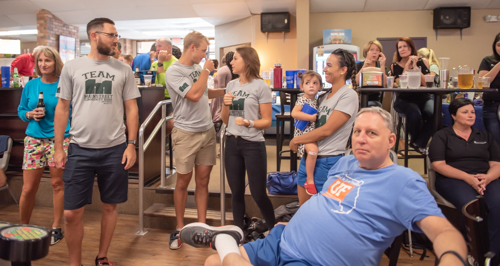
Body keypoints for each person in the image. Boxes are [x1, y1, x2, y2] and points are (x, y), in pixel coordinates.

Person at [180, 107, 468, 266]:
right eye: (357, 132)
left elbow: (443, 231)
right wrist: (289, 224)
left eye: (371, 133)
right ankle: (226, 240)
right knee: (211, 265)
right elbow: (323, 205)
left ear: (391, 141)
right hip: (284, 239)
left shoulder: (404, 182)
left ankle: (224, 239)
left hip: (313, 260)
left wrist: (452, 259)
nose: (361, 139)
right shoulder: (345, 164)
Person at [54, 18, 140, 266]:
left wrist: (131, 144)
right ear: (94, 35)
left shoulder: (124, 70)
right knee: (71, 213)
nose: (116, 40)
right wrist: (59, 147)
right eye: (111, 35)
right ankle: (74, 263)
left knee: (110, 207)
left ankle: (102, 256)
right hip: (79, 148)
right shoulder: (72, 67)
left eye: (116, 35)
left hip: (114, 150)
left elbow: (131, 109)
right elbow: (62, 108)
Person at [165, 31, 225, 250]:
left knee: (203, 181)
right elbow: (194, 94)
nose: (204, 54)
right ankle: (180, 229)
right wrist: (207, 70)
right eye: (203, 50)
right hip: (185, 134)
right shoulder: (174, 72)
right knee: (182, 182)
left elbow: (205, 91)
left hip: (207, 131)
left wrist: (228, 91)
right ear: (192, 48)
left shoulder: (198, 69)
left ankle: (202, 225)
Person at [429, 98, 500, 255]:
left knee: (498, 205)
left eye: (473, 112)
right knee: (471, 206)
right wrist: (467, 178)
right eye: (465, 112)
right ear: (453, 115)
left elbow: (496, 164)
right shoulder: (442, 136)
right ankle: (468, 252)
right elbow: (438, 165)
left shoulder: (485, 136)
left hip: (485, 178)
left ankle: (492, 254)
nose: (471, 115)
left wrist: (487, 178)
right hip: (453, 179)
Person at [289, 49, 359, 205]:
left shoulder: (348, 95)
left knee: (322, 213)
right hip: (308, 158)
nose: (324, 69)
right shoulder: (323, 96)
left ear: (343, 70)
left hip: (328, 162)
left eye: (329, 65)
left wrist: (296, 140)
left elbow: (327, 130)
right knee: (304, 210)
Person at [17, 46, 71, 246]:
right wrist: (30, 114)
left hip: (60, 139)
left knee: (57, 185)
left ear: (55, 62)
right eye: (40, 61)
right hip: (34, 139)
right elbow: (21, 110)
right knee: (28, 188)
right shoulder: (31, 85)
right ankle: (23, 226)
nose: (43, 64)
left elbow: (70, 111)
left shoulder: (64, 84)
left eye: (47, 60)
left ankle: (56, 227)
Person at [221, 47, 275, 232]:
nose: (231, 62)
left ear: (248, 61)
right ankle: (239, 232)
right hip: (232, 143)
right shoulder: (232, 85)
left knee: (258, 193)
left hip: (253, 144)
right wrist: (225, 104)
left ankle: (273, 228)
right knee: (236, 192)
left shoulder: (261, 86)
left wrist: (249, 123)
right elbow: (225, 118)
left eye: (235, 59)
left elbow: (267, 121)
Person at [391, 37, 433, 154]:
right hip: (404, 99)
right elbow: (401, 84)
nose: (402, 49)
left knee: (436, 113)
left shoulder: (422, 62)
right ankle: (416, 142)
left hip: (423, 98)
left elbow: (426, 83)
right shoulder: (395, 65)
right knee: (414, 113)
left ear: (411, 48)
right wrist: (407, 67)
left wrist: (415, 68)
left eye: (405, 46)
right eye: (400, 47)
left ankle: (418, 143)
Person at [291, 71, 322, 195]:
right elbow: (294, 113)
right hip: (304, 135)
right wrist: (310, 118)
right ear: (302, 86)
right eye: (307, 83)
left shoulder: (318, 100)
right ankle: (310, 180)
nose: (311, 86)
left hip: (313, 133)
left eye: (315, 83)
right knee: (313, 152)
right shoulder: (302, 100)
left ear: (320, 86)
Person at [150, 38, 178, 134]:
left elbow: (164, 84)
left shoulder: (176, 64)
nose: (157, 49)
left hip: (171, 100)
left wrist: (160, 62)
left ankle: (165, 141)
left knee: (171, 123)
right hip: (155, 99)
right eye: (156, 46)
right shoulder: (154, 64)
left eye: (160, 46)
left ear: (168, 47)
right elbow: (152, 82)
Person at [478, 32, 500, 147]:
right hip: (491, 105)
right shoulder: (488, 60)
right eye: (499, 45)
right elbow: (482, 83)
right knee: (495, 140)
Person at [355, 40, 389, 107]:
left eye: (377, 50)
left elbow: (384, 83)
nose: (374, 52)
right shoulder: (358, 65)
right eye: (371, 50)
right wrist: (364, 66)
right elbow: (355, 82)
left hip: (375, 100)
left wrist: (382, 65)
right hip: (359, 99)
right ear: (366, 52)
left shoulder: (382, 67)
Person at [211, 52, 235, 134]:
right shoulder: (229, 70)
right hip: (225, 99)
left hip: (220, 99)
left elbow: (220, 88)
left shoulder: (223, 70)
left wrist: (219, 109)